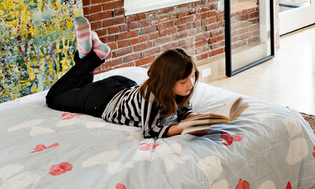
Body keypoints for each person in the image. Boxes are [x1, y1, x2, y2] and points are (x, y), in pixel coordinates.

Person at [46, 16, 211, 139]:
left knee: (78, 90)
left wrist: (193, 118)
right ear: (167, 82)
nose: (190, 84)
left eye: (192, 77)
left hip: (122, 86)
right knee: (54, 98)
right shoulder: (152, 96)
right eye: (184, 81)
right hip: (103, 99)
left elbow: (183, 109)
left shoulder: (179, 90)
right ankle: (92, 57)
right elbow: (150, 131)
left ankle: (86, 55)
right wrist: (182, 128)